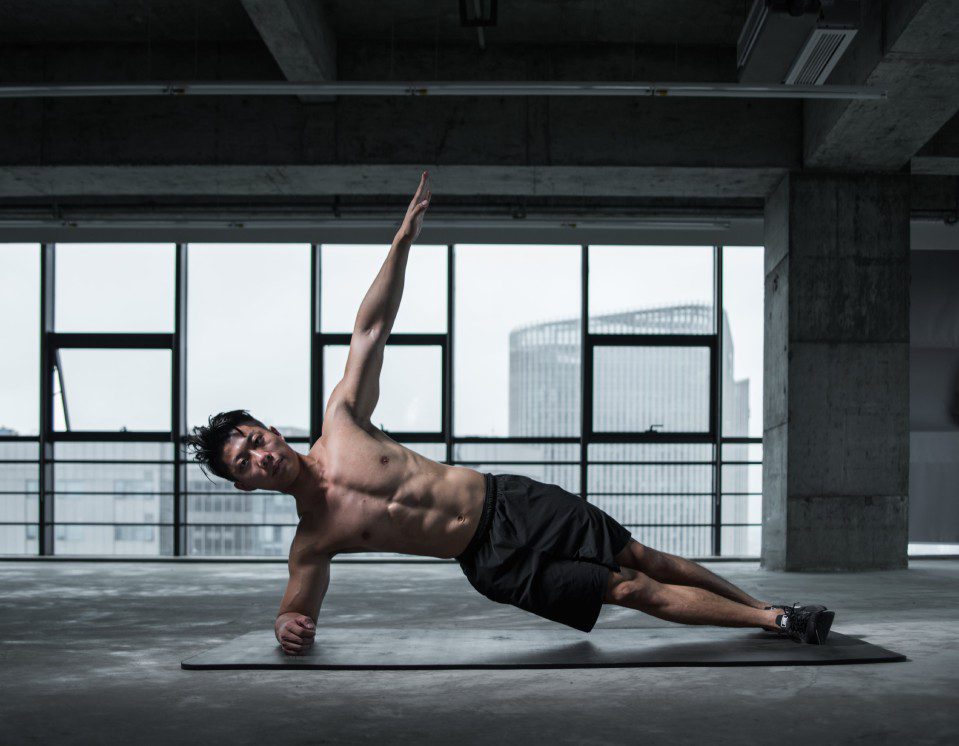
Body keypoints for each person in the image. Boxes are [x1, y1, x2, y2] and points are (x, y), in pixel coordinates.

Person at [185, 171, 835, 656]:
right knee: (625, 587)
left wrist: (404, 238)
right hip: (490, 562)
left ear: (269, 428)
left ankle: (772, 612)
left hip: (510, 501)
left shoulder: (345, 422)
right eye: (246, 463)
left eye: (253, 439)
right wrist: (284, 626)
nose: (260, 455)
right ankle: (774, 620)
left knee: (641, 555)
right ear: (246, 485)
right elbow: (297, 606)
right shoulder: (313, 539)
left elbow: (369, 329)